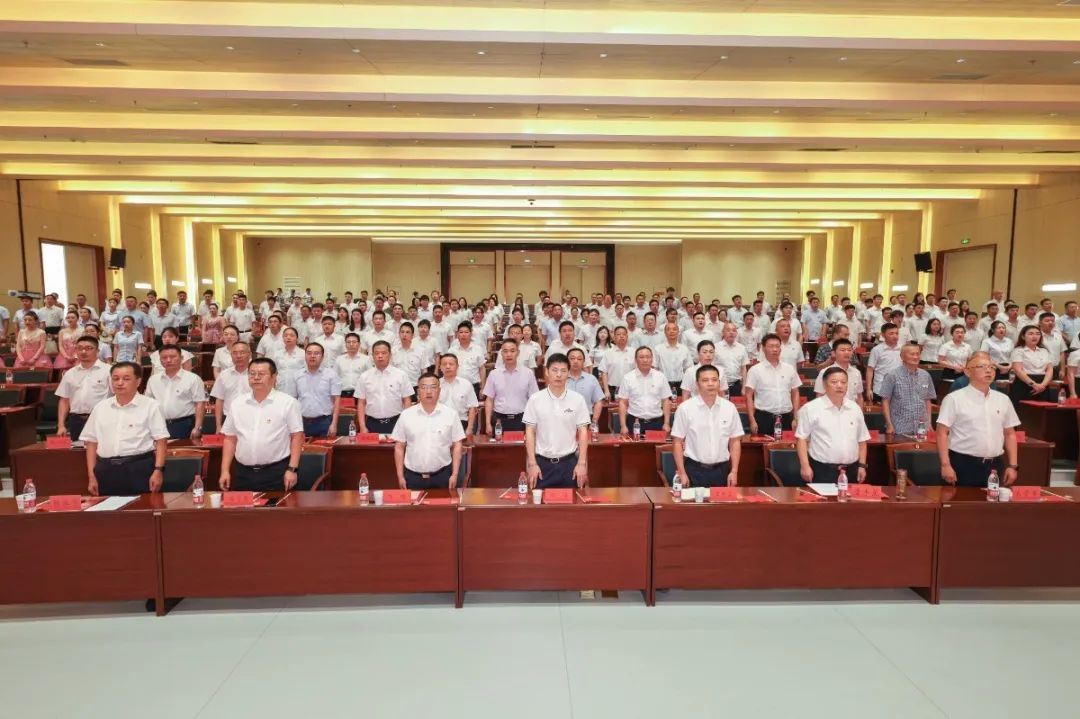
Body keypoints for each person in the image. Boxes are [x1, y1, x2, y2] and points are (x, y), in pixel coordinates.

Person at [80, 362, 169, 495]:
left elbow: (161, 441)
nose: (120, 383)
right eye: (115, 379)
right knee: (108, 507)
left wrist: (158, 470)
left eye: (126, 379)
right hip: (105, 469)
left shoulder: (151, 406)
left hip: (138, 467)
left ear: (138, 381)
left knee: (142, 507)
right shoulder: (100, 407)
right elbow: (91, 443)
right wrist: (92, 475)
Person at [219, 357, 305, 491]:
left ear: (274, 377)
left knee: (275, 505)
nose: (256, 378)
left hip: (276, 472)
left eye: (261, 374)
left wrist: (292, 469)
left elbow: (297, 437)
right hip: (243, 473)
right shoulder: (237, 403)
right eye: (252, 374)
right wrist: (225, 470)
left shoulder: (288, 403)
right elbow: (230, 438)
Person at [936, 352, 1020, 488]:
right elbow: (941, 433)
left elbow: (1010, 434)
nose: (989, 370)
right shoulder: (954, 399)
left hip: (995, 465)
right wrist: (945, 465)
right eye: (982, 367)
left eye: (992, 367)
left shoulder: (1003, 399)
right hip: (963, 463)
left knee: (993, 501)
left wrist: (1013, 466)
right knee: (961, 501)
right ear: (967, 372)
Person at [523, 353, 591, 489]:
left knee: (572, 502)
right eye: (554, 370)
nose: (559, 375)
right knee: (540, 502)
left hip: (569, 464)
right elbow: (529, 431)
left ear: (568, 373)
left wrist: (581, 463)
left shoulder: (577, 399)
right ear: (547, 372)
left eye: (563, 371)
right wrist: (532, 463)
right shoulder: (535, 399)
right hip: (542, 464)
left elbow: (583, 432)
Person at [671, 365, 744, 488]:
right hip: (694, 470)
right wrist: (682, 473)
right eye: (705, 380)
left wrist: (734, 471)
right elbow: (677, 442)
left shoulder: (729, 408)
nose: (710, 384)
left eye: (714, 380)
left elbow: (735, 441)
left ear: (719, 383)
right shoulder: (685, 408)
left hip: (722, 470)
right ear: (697, 384)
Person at [796, 366, 870, 485]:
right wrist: (805, 466)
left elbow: (862, 439)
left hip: (852, 470)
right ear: (825, 385)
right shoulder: (811, 408)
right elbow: (801, 439)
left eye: (843, 382)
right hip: (823, 470)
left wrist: (862, 466)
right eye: (834, 382)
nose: (839, 386)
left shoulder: (855, 408)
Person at [391, 372, 465, 490]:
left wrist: (455, 474)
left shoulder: (451, 414)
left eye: (433, 387)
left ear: (439, 391)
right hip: (412, 477)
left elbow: (457, 445)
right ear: (418, 391)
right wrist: (400, 476)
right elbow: (399, 447)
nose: (429, 391)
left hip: (442, 475)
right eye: (424, 387)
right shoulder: (406, 415)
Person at [54, 335, 112, 440]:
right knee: (77, 449)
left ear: (97, 351)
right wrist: (61, 425)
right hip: (76, 420)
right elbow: (64, 400)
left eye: (89, 348)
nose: (83, 351)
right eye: (79, 348)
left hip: (101, 418)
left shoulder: (109, 371)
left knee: (102, 449)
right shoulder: (70, 373)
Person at [144, 345, 206, 440]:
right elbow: (148, 403)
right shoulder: (153, 380)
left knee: (182, 449)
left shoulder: (193, 379)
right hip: (158, 424)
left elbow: (200, 404)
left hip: (184, 424)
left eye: (172, 357)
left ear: (181, 358)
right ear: (160, 360)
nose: (168, 360)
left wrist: (197, 428)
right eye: (164, 357)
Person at [744, 333, 801, 435]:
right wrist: (752, 420)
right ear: (763, 348)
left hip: (786, 418)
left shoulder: (789, 369)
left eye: (777, 346)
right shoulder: (755, 370)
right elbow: (748, 396)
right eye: (771, 346)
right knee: (763, 445)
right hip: (764, 418)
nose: (775, 349)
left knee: (786, 445)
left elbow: (795, 392)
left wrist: (795, 418)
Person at [483, 337, 539, 434]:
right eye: (505, 351)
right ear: (501, 354)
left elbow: (534, 399)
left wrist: (534, 422)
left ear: (518, 353)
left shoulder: (528, 373)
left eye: (512, 351)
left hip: (522, 419)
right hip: (499, 420)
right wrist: (487, 423)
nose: (509, 354)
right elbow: (489, 400)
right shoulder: (494, 374)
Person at [355, 341, 413, 434]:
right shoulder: (364, 376)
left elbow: (407, 400)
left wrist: (406, 423)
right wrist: (362, 426)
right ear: (372, 356)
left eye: (383, 353)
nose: (380, 356)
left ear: (390, 355)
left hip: (396, 423)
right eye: (376, 353)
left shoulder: (401, 375)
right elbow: (361, 403)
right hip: (371, 423)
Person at [880, 344, 936, 436]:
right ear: (902, 356)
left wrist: (929, 423)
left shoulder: (925, 375)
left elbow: (927, 400)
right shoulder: (892, 375)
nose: (915, 357)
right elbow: (885, 401)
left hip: (922, 428)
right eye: (912, 354)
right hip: (899, 428)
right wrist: (889, 424)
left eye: (918, 354)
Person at [617, 346, 673, 435]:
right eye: (641, 357)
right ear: (636, 360)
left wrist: (666, 423)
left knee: (656, 444)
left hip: (656, 422)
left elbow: (666, 401)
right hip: (635, 422)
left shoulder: (660, 377)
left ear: (652, 359)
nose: (645, 360)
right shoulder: (628, 378)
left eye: (648, 357)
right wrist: (623, 425)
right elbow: (622, 402)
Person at [294, 342, 342, 437]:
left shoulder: (331, 375)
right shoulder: (297, 375)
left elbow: (336, 400)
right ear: (305, 356)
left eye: (316, 353)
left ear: (322, 357)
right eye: (309, 353)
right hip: (302, 422)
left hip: (324, 422)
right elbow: (294, 400)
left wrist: (334, 424)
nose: (312, 356)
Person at [210, 341, 252, 432]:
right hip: (229, 419)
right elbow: (219, 400)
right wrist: (218, 425)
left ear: (250, 354)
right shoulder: (223, 375)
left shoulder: (256, 374)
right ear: (231, 355)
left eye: (242, 352)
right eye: (235, 353)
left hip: (252, 418)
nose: (238, 356)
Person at [1009, 325, 1052, 407]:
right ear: (1023, 336)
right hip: (1024, 383)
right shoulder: (1018, 351)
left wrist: (1043, 385)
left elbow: (1049, 369)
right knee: (1024, 411)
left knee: (1042, 412)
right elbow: (1018, 370)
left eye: (1037, 334)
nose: (1035, 336)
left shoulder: (1044, 351)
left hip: (1042, 384)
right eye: (1031, 334)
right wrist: (1034, 385)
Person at [438, 353, 479, 437]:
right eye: (444, 364)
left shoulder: (466, 384)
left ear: (457, 366)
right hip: (439, 423)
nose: (448, 367)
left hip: (461, 422)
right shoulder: (436, 384)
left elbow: (472, 408)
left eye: (451, 364)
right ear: (440, 367)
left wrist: (469, 428)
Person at [565, 347, 605, 425]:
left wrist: (594, 422)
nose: (575, 361)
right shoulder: (560, 378)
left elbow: (598, 402)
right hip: (564, 419)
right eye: (572, 358)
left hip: (586, 419)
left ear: (584, 362)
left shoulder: (591, 379)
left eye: (579, 359)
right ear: (566, 361)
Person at [865, 322, 903, 403]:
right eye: (891, 333)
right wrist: (868, 389)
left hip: (899, 389)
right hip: (880, 389)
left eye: (897, 333)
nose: (895, 336)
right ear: (883, 335)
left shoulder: (902, 349)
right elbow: (870, 370)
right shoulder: (877, 350)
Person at [654, 321, 693, 396]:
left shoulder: (684, 349)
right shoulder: (658, 348)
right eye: (668, 329)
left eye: (674, 329)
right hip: (663, 384)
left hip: (681, 384)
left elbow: (688, 369)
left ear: (678, 332)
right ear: (665, 333)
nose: (671, 331)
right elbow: (655, 368)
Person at [449, 322, 487, 397]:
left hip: (474, 386)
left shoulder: (478, 349)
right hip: (456, 386)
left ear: (471, 334)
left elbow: (482, 369)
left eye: (466, 332)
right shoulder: (452, 351)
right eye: (461, 332)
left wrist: (483, 388)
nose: (463, 334)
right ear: (457, 334)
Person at [713, 322, 750, 396]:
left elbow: (743, 369)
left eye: (734, 330)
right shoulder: (715, 347)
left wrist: (744, 387)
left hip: (736, 385)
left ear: (736, 333)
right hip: (720, 386)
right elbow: (712, 367)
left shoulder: (742, 348)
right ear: (723, 332)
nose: (731, 332)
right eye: (728, 330)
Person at [599, 326, 635, 401]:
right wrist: (606, 390)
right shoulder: (608, 353)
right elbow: (604, 372)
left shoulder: (634, 352)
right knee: (613, 408)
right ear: (614, 337)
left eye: (623, 334)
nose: (621, 336)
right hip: (612, 389)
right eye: (618, 334)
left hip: (631, 388)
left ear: (627, 337)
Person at [335, 332, 373, 398]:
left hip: (360, 394)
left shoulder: (366, 359)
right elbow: (335, 378)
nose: (351, 344)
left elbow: (370, 377)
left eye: (354, 342)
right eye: (348, 342)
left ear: (359, 344)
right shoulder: (339, 359)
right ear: (345, 344)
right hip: (343, 393)